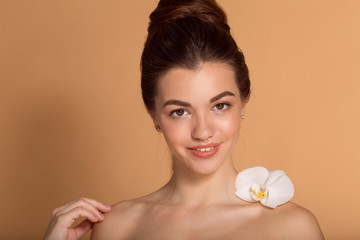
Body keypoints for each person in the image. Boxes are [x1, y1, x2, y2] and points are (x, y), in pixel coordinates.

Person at [44, 0, 325, 239]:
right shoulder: (117, 227)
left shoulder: (292, 229)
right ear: (153, 113)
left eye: (220, 105)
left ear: (243, 102)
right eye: (180, 111)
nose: (203, 131)